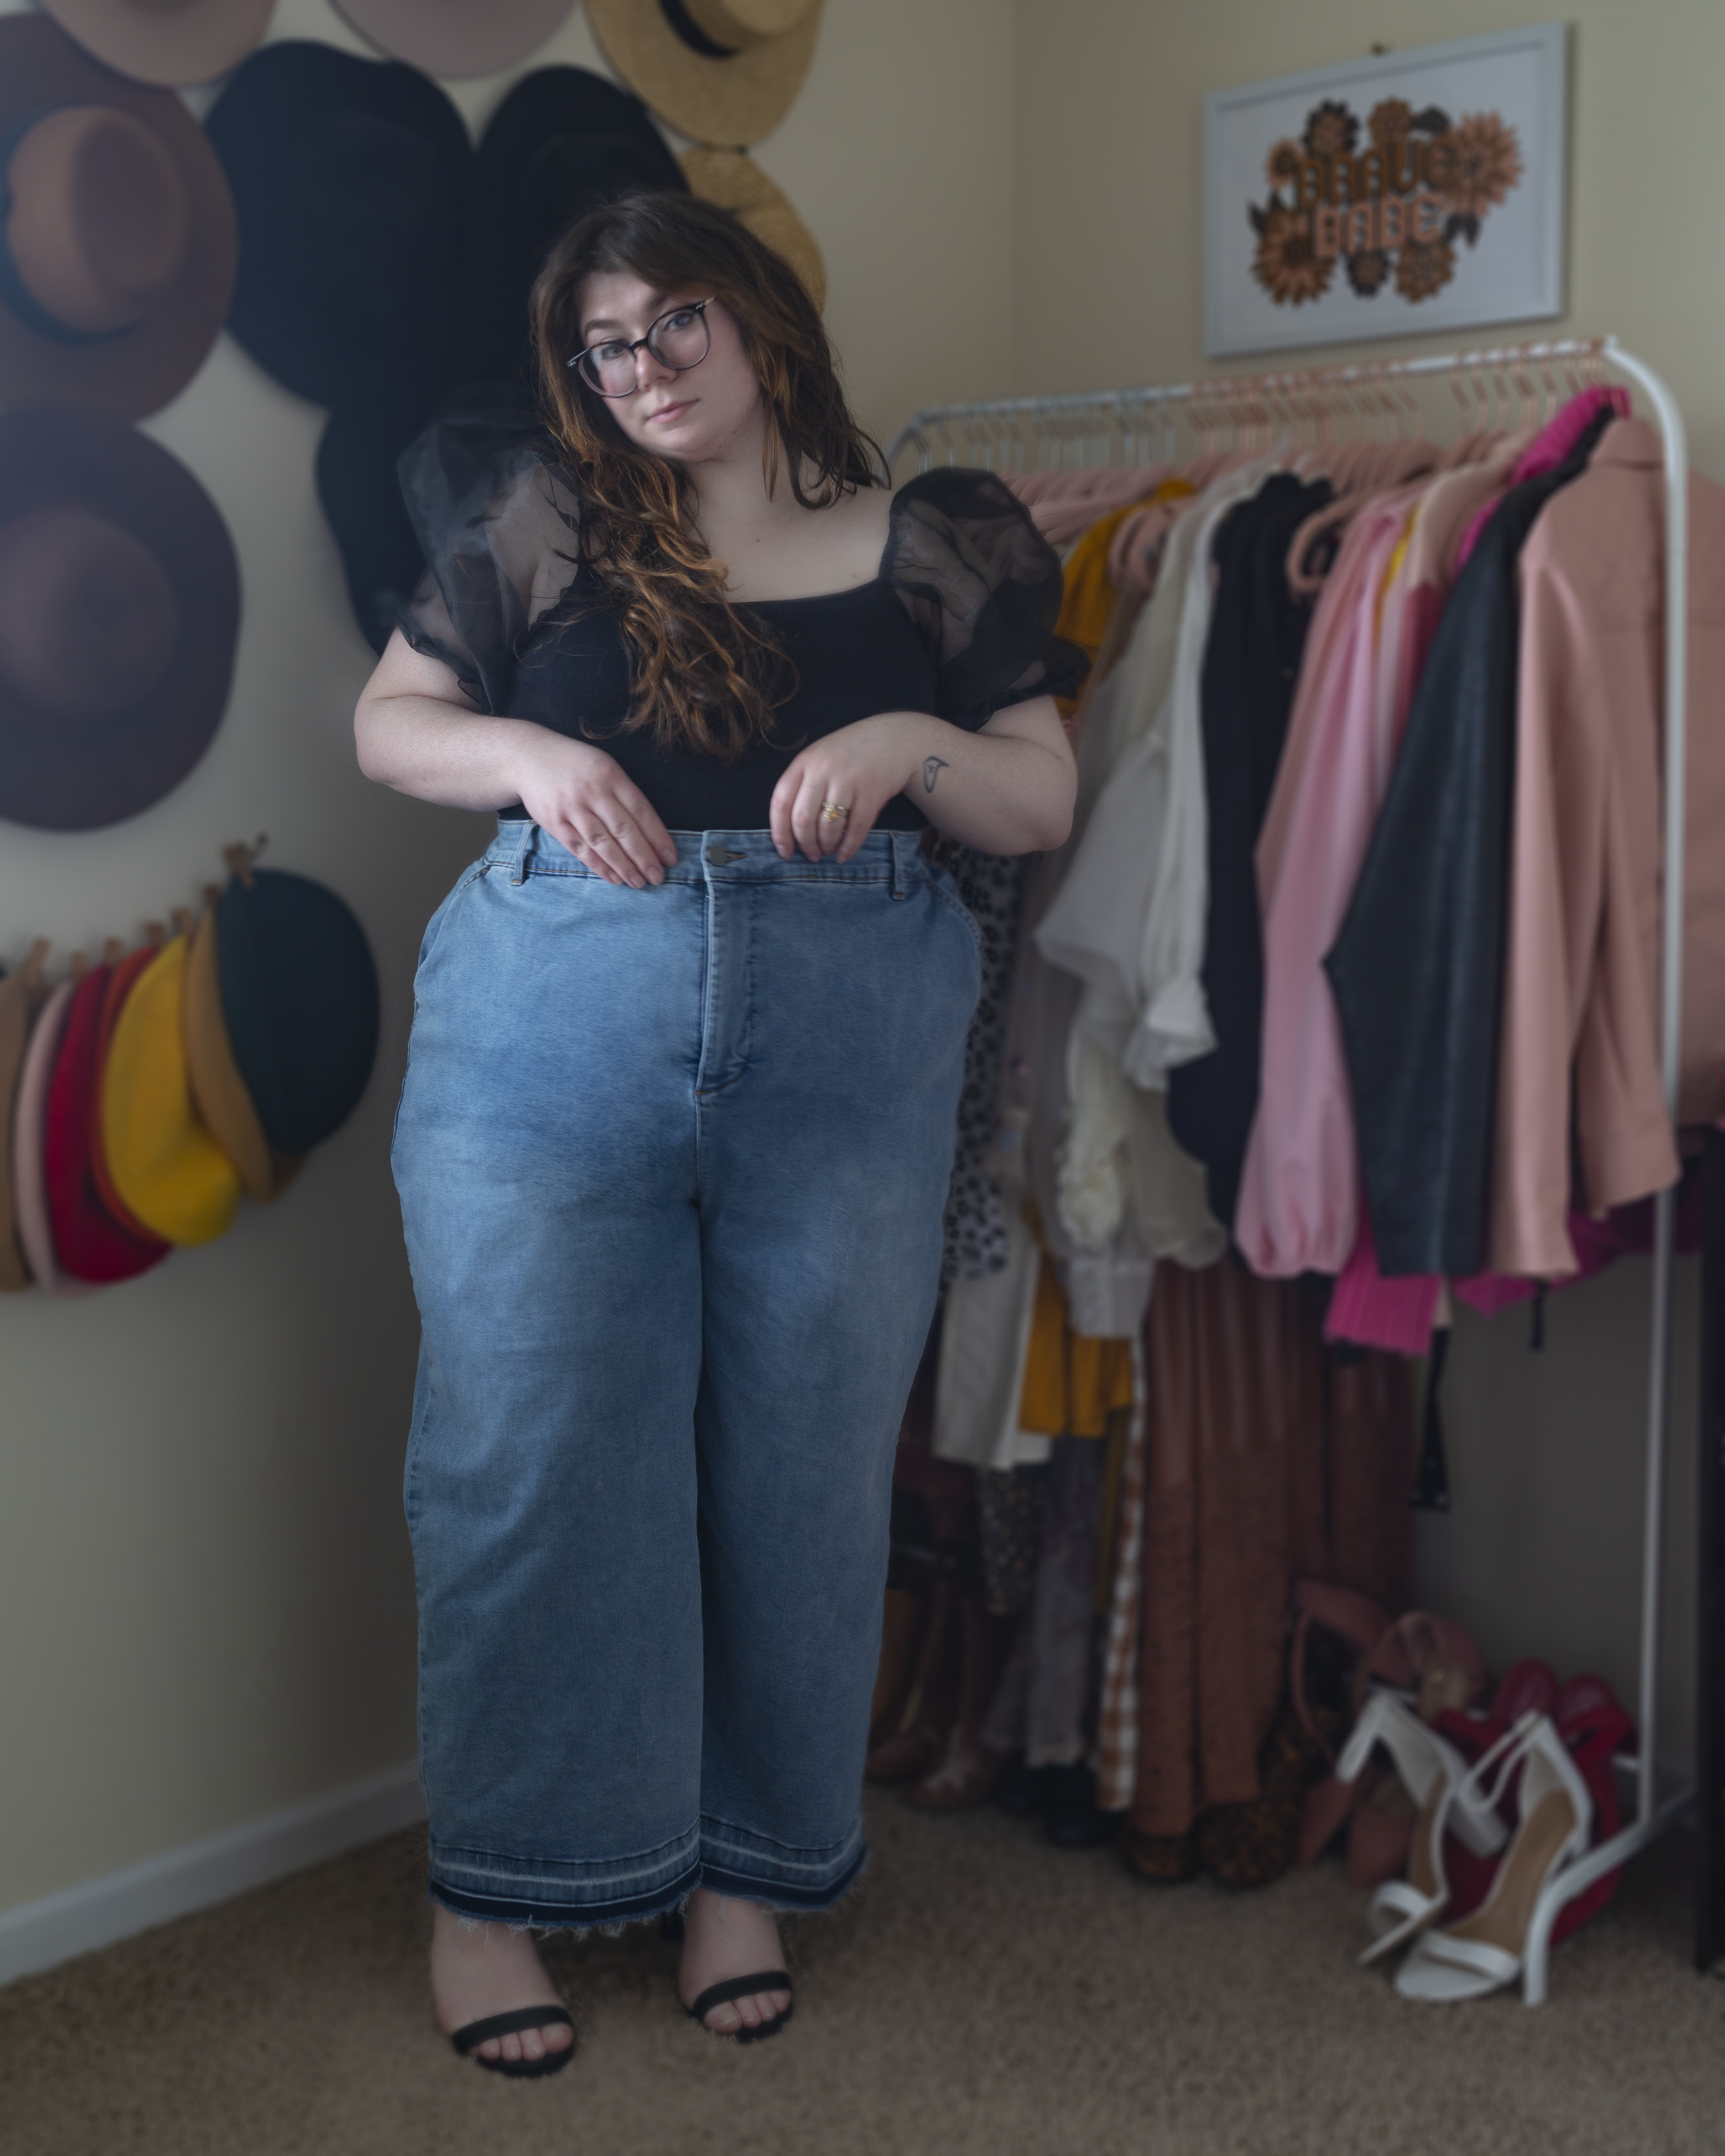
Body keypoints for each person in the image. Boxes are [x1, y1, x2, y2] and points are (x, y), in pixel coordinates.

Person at [354, 191, 1082, 2078]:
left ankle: (739, 1873)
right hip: (548, 1033)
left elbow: (1036, 796)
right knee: (526, 1457)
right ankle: (496, 1888)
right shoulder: (550, 527)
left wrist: (916, 741)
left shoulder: (931, 542)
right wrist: (533, 753)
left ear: (759, 323)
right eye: (606, 342)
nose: (644, 367)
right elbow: (391, 726)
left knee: (798, 1471)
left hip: (846, 1047)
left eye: (675, 321)